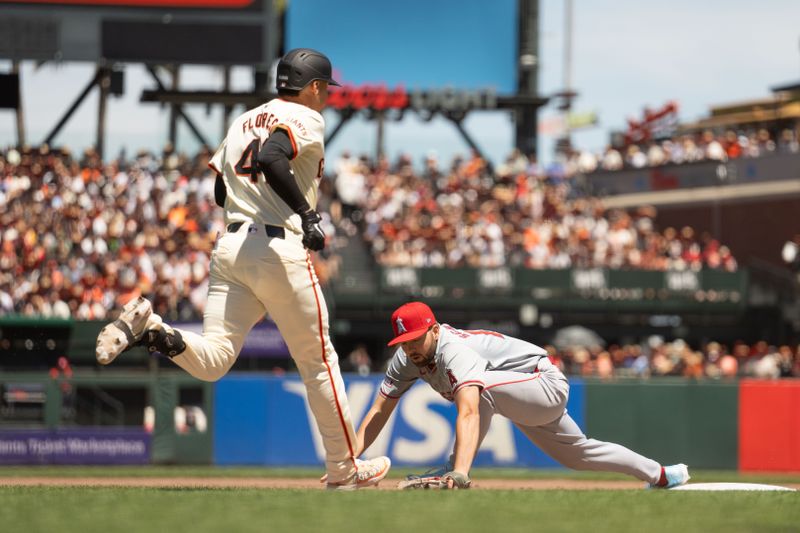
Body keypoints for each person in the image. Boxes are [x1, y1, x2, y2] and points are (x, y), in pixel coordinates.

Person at [95, 48, 390, 490]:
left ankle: (154, 330)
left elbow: (220, 188)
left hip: (231, 245)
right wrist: (306, 214)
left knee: (214, 359)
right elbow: (273, 157)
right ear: (311, 86)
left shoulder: (242, 121)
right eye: (324, 87)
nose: (326, 95)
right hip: (278, 248)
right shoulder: (306, 117)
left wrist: (255, 204)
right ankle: (344, 470)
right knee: (320, 361)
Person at [355, 301, 689, 489]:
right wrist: (347, 460)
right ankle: (661, 474)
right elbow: (380, 409)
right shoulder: (406, 359)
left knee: (478, 390)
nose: (410, 347)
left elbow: (470, 410)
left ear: (435, 330)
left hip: (543, 382)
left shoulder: (454, 350)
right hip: (520, 397)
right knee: (579, 454)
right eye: (403, 342)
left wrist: (458, 471)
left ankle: (452, 469)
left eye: (415, 338)